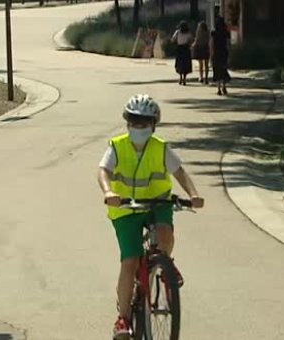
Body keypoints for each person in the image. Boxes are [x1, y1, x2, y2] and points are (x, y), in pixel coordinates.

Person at [97, 94, 205, 339]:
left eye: (144, 122)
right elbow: (103, 171)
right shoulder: (117, 146)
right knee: (130, 261)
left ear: (153, 124)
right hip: (125, 209)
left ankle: (165, 266)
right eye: (134, 121)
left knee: (165, 232)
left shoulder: (160, 147)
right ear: (127, 122)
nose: (139, 127)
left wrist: (194, 194)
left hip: (157, 203)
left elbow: (180, 172)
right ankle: (123, 319)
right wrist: (109, 191)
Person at [211, 17, 231, 95]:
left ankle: (219, 88)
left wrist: (211, 53)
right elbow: (228, 43)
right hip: (224, 52)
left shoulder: (214, 33)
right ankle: (224, 86)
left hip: (216, 53)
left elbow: (212, 44)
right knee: (223, 69)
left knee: (217, 70)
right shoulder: (225, 32)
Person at [171, 21, 193, 86]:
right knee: (186, 64)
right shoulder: (188, 33)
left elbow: (173, 39)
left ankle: (180, 78)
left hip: (179, 49)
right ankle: (184, 79)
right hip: (186, 49)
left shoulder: (177, 32)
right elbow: (191, 40)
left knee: (180, 64)